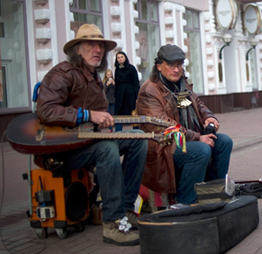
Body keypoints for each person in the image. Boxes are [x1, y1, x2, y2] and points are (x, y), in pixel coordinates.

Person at [35, 24, 147, 246]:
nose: (97, 49)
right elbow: (45, 110)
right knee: (108, 148)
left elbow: (98, 120)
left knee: (138, 138)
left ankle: (125, 210)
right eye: (90, 44)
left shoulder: (96, 79)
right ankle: (112, 223)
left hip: (87, 142)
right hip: (62, 150)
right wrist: (87, 115)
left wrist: (104, 125)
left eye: (100, 46)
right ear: (77, 49)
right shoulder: (62, 73)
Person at [136, 44, 233, 206]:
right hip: (163, 146)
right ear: (159, 66)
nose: (176, 69)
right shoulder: (149, 90)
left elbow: (198, 105)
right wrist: (197, 137)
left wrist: (209, 117)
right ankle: (185, 201)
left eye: (180, 64)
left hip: (183, 140)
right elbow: (164, 125)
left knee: (224, 142)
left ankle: (212, 192)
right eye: (171, 65)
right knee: (201, 149)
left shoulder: (180, 86)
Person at [114, 51, 140, 131]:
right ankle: (118, 133)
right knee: (119, 114)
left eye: (121, 57)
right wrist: (115, 95)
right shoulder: (117, 70)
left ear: (125, 58)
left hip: (130, 95)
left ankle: (136, 131)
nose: (120, 59)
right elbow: (117, 84)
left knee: (133, 114)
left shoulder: (131, 68)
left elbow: (136, 82)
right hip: (120, 95)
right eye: (118, 58)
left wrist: (137, 96)